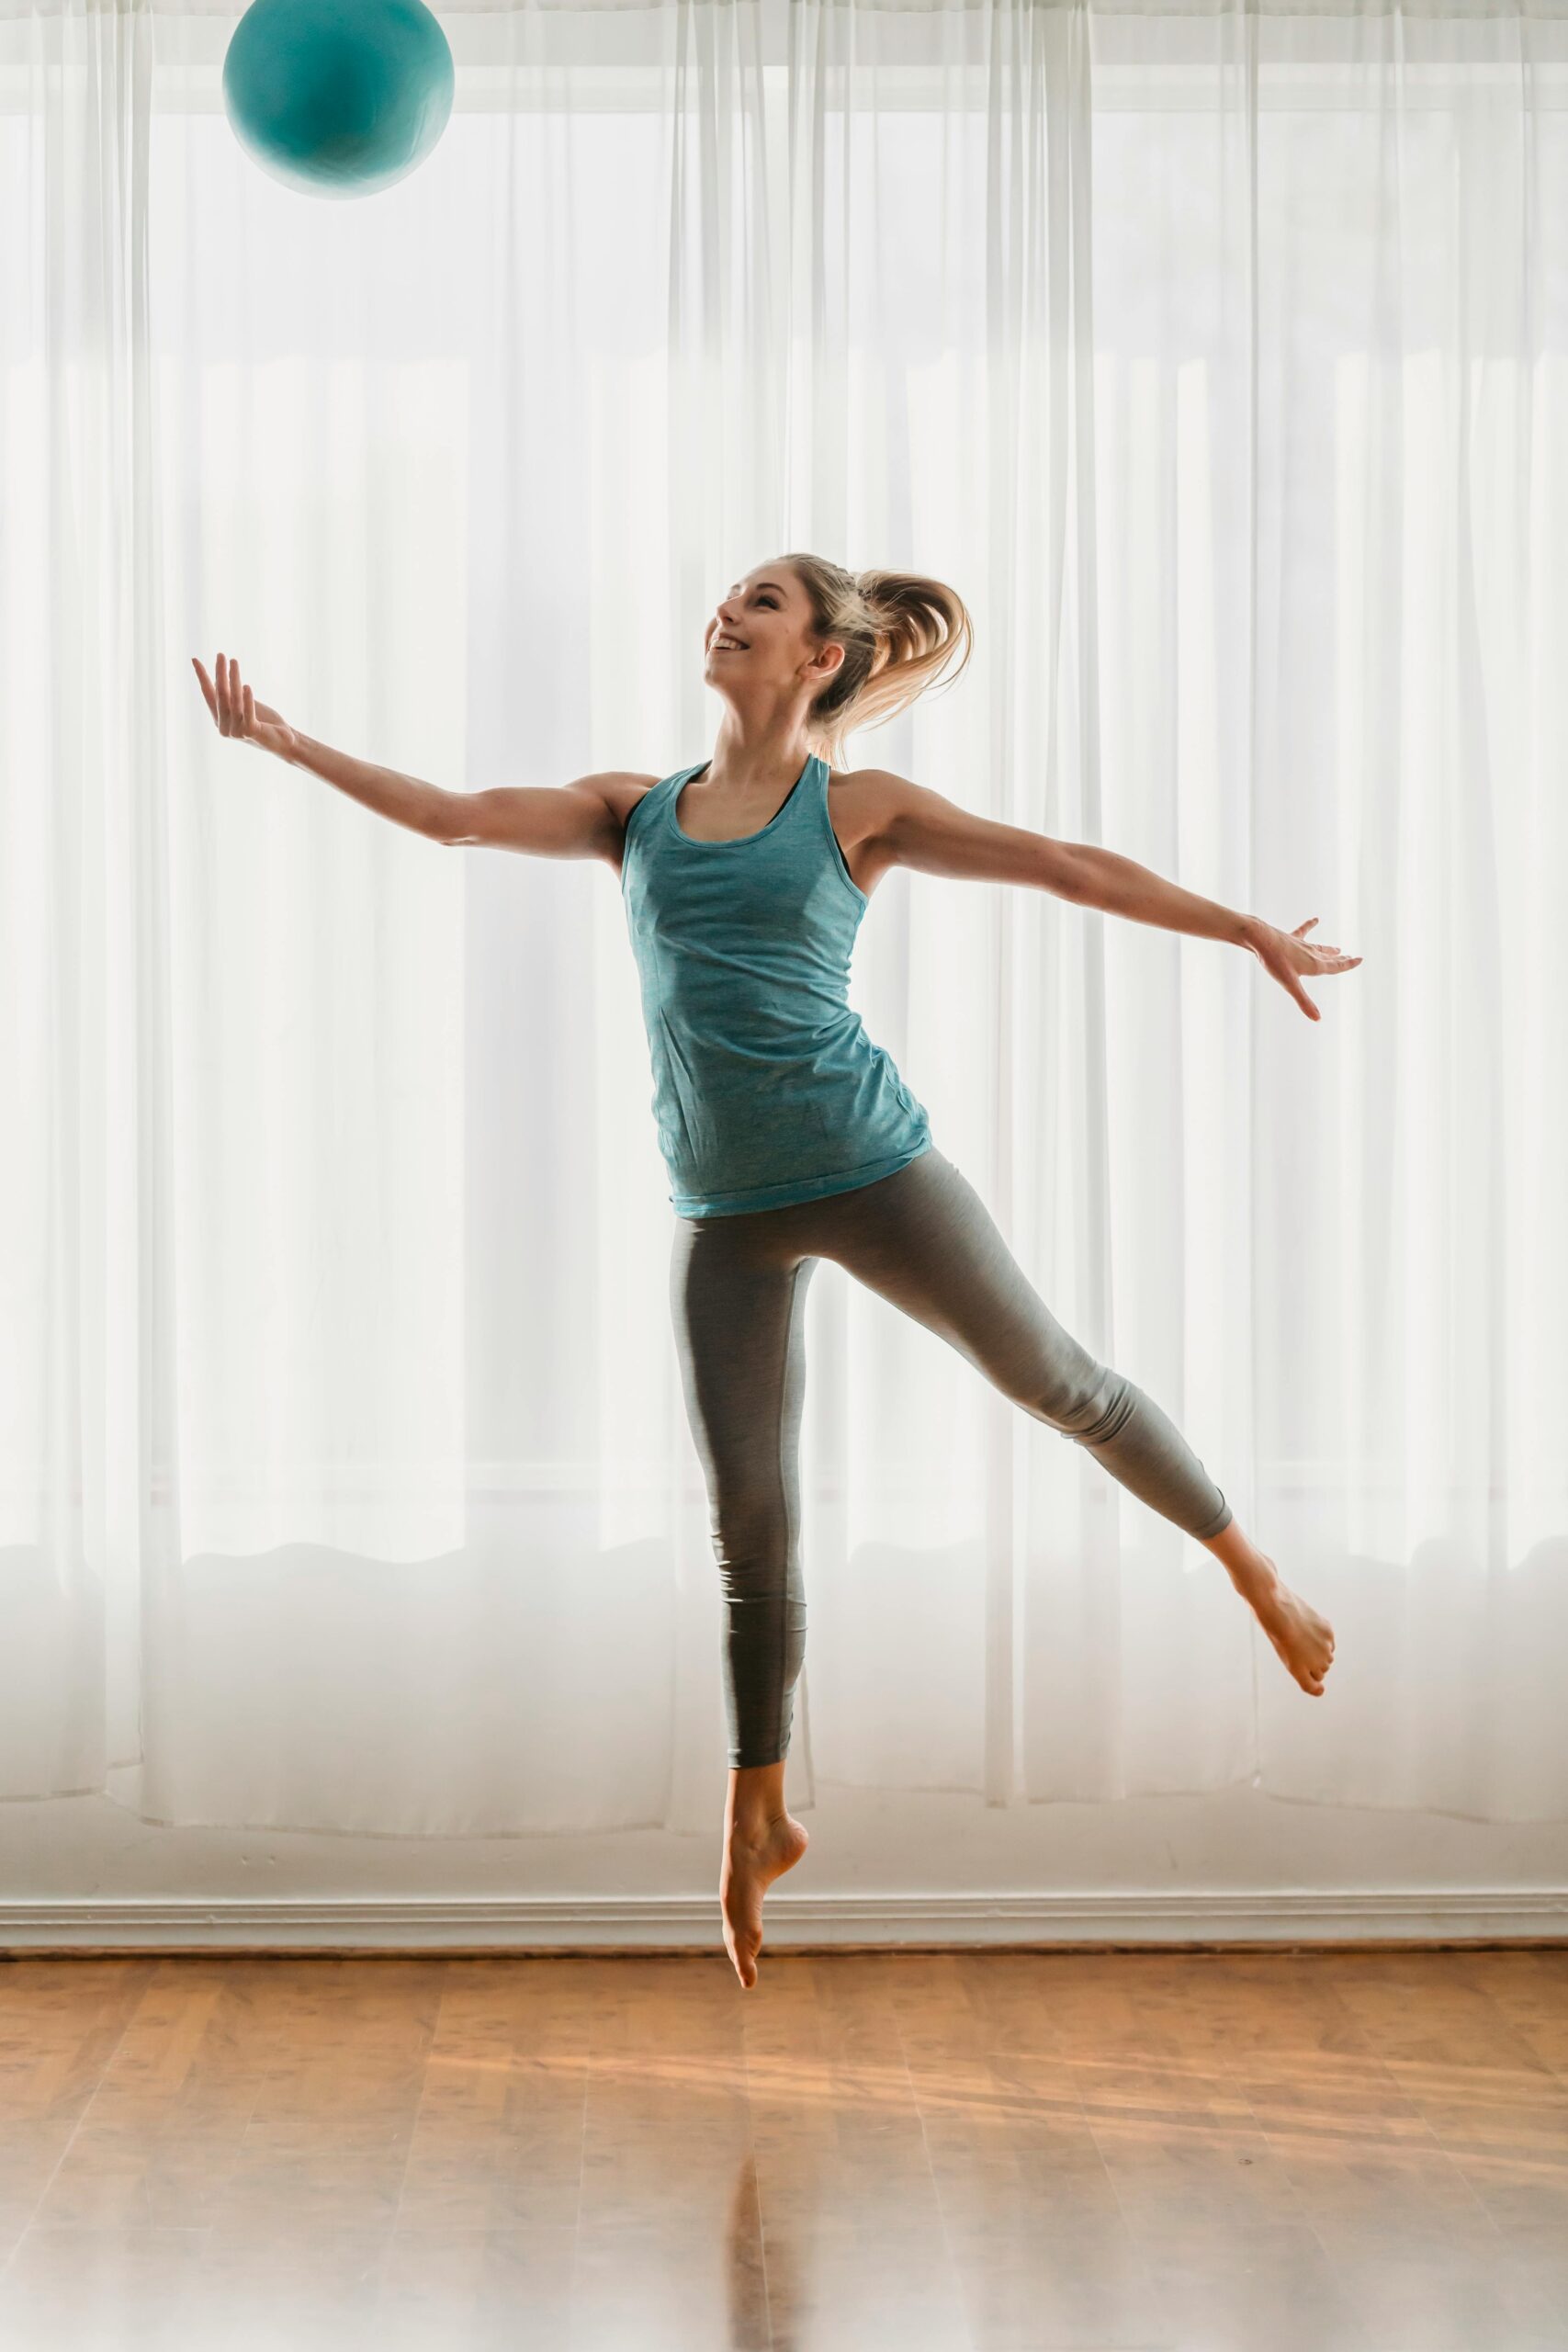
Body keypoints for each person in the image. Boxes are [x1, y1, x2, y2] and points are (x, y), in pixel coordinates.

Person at [194, 557, 1357, 1991]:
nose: (725, 611)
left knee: (1062, 1384)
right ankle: (760, 1810)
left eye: (761, 602)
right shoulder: (636, 813)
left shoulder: (855, 812)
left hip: (875, 1172)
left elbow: (1066, 866)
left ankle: (1257, 1575)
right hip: (723, 1209)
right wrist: (287, 741)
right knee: (752, 1523)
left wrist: (1242, 927)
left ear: (820, 657)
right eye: (728, 596)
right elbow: (452, 821)